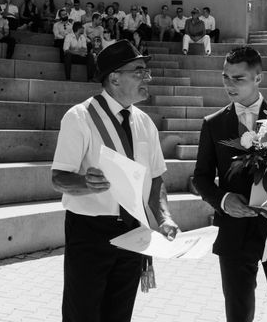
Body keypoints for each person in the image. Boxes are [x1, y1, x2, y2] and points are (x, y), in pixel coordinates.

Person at [51, 40, 179, 322]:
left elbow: (156, 178)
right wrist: (87, 184)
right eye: (139, 71)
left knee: (119, 315)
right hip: (90, 232)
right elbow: (58, 178)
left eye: (146, 71)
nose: (148, 78)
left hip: (133, 230)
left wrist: (164, 216)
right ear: (114, 78)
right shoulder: (79, 117)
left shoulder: (145, 122)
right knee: (82, 314)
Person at [193, 45, 267, 322]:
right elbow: (201, 177)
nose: (229, 84)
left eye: (238, 78)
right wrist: (222, 200)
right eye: (225, 77)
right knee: (238, 314)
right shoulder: (213, 124)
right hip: (234, 235)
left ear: (258, 78)